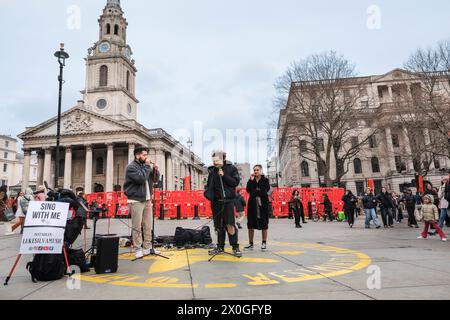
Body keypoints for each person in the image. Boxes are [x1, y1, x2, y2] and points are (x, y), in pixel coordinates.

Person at [124, 146, 160, 259]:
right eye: (144, 155)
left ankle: (147, 247)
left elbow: (154, 180)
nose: (146, 157)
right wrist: (148, 166)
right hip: (135, 200)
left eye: (146, 155)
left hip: (147, 199)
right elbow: (140, 179)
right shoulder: (131, 167)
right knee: (137, 226)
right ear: (137, 155)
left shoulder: (145, 167)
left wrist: (155, 171)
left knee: (147, 225)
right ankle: (138, 248)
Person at [204, 150, 242, 257]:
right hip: (216, 202)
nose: (214, 163)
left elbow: (235, 182)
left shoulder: (231, 168)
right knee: (218, 226)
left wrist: (224, 175)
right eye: (213, 161)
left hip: (228, 201)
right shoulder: (212, 171)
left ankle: (235, 247)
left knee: (230, 224)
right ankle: (220, 247)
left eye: (216, 161)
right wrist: (208, 194)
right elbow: (208, 185)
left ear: (223, 159)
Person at [246, 165, 271, 251]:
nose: (256, 171)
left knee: (264, 223)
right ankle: (251, 244)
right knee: (250, 224)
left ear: (261, 170)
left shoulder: (265, 180)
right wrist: (251, 181)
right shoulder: (251, 180)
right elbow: (248, 190)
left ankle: (264, 243)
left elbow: (265, 190)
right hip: (252, 204)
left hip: (262, 204)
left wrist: (256, 191)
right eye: (254, 170)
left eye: (257, 170)